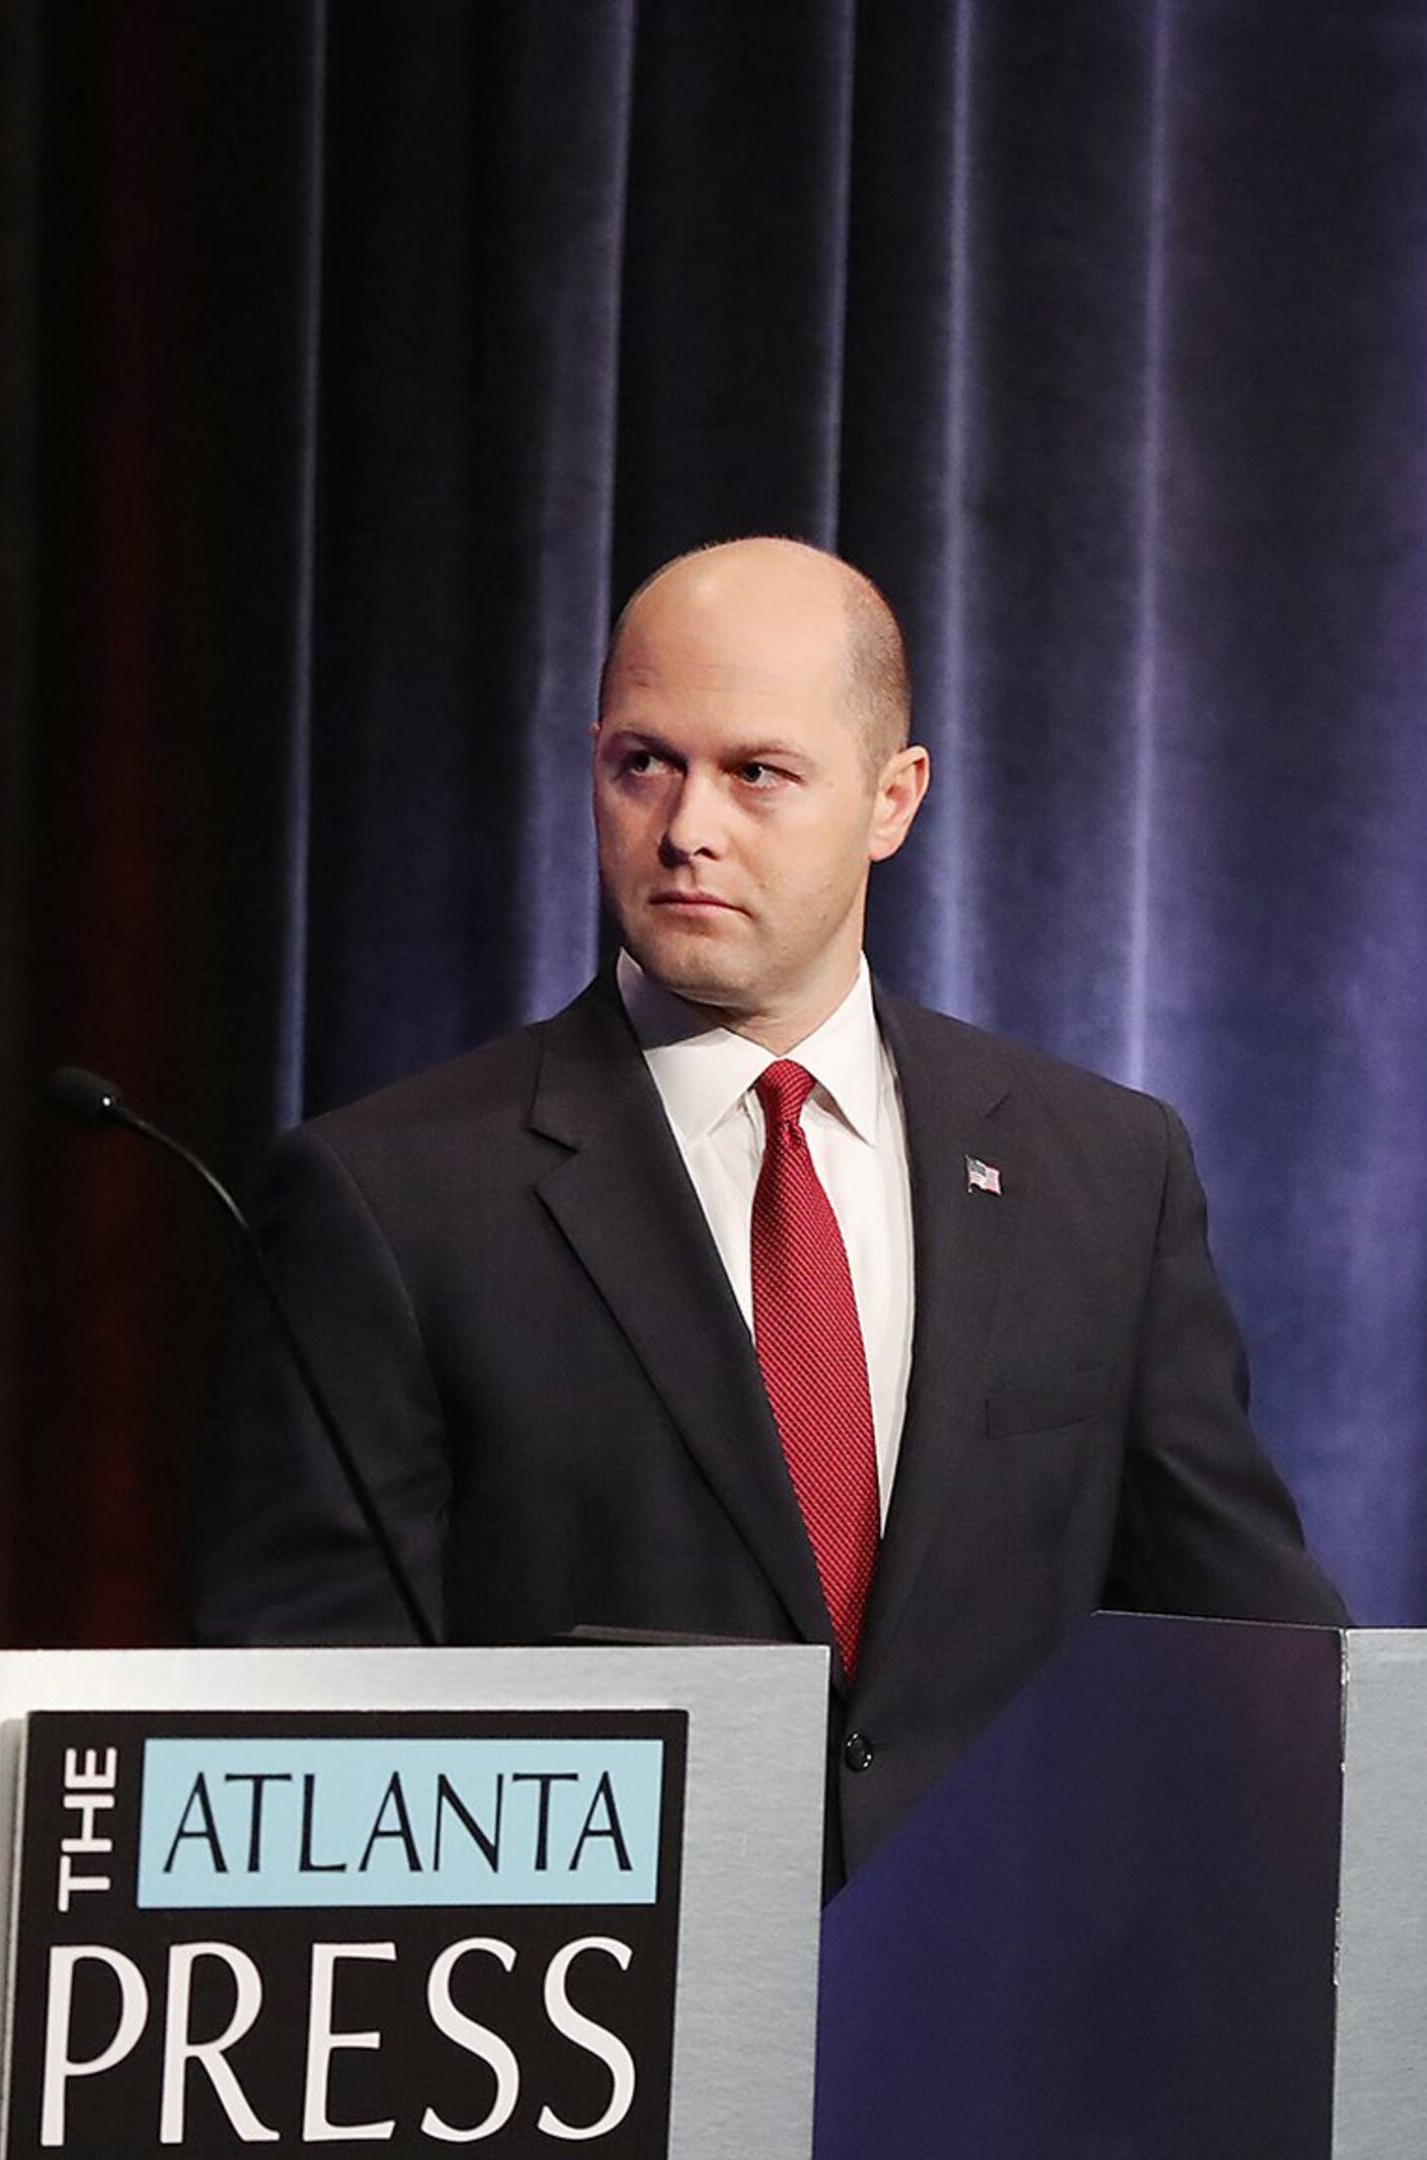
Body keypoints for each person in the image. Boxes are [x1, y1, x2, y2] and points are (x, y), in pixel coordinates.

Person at [196, 536, 1346, 1880]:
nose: (688, 825)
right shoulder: (391, 1197)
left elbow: (1251, 1644)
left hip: (1012, 2019)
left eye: (757, 774)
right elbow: (300, 1719)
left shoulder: (1104, 1168)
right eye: (644, 764)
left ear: (892, 799)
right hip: (598, 2032)